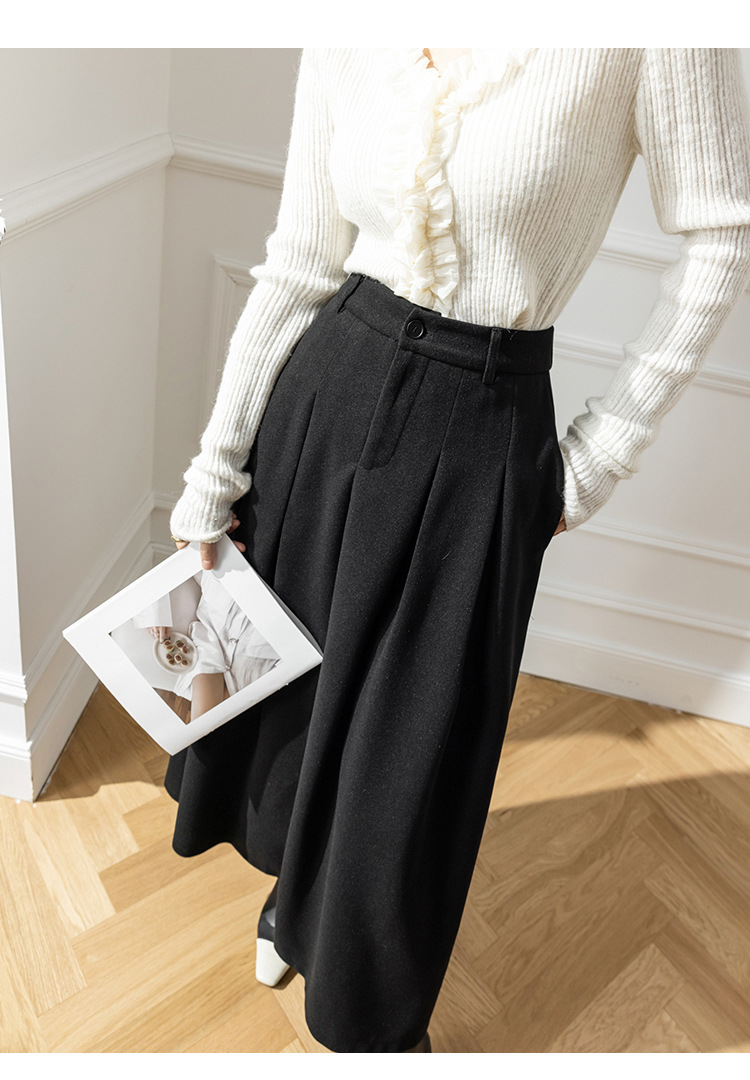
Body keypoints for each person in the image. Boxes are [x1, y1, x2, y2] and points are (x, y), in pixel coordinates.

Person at [164, 48, 750, 1053]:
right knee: (289, 705)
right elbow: (300, 259)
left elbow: (723, 231)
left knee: (411, 760)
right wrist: (213, 471)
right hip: (326, 393)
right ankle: (290, 903)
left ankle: (370, 1025)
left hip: (483, 424)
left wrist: (600, 454)